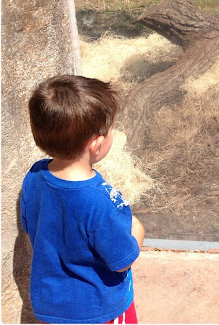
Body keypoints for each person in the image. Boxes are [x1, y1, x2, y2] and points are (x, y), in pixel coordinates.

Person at [20, 74, 145, 324]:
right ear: (96, 144)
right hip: (99, 311)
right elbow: (121, 261)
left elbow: (30, 228)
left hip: (51, 308)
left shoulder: (35, 175)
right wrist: (138, 230)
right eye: (111, 130)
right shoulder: (100, 201)